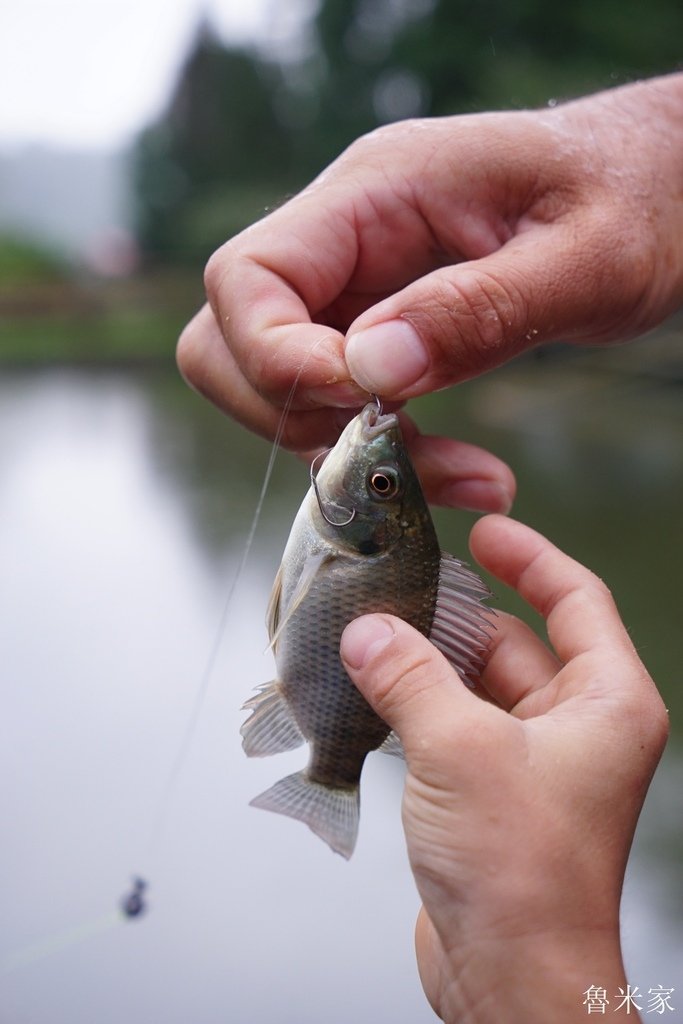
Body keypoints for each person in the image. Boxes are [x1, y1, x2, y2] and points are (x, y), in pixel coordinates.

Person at [177, 73, 679, 1021]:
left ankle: (326, 779)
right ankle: (329, 776)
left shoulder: (345, 537)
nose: (382, 465)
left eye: (381, 485)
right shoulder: (346, 535)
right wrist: (537, 963)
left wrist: (527, 963)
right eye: (383, 484)